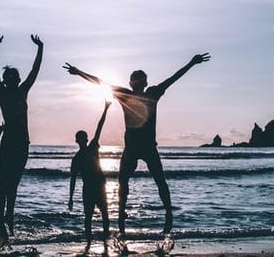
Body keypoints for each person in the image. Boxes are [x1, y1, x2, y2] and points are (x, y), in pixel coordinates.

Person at [64, 53, 211, 249]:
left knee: (156, 180)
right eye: (137, 79)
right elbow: (100, 82)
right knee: (126, 179)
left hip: (145, 147)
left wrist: (191, 63)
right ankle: (125, 218)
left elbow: (173, 78)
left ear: (139, 82)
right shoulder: (135, 93)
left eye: (139, 79)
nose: (138, 82)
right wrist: (79, 72)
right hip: (134, 148)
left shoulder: (150, 93)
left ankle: (164, 213)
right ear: (135, 82)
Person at [0, 34, 43, 241]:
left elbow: (35, 70)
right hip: (10, 142)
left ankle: (8, 217)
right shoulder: (1, 92)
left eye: (14, 78)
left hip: (23, 144)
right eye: (8, 78)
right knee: (4, 183)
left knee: (13, 184)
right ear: (6, 80)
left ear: (18, 80)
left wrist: (41, 48)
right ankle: (1, 220)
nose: (12, 80)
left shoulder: (23, 91)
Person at [68, 99, 111, 253]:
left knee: (104, 215)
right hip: (91, 188)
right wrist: (70, 198)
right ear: (78, 141)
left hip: (99, 186)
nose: (81, 140)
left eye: (82, 138)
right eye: (80, 139)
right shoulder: (77, 158)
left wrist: (105, 108)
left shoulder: (92, 147)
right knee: (89, 217)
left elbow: (99, 127)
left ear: (84, 140)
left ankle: (105, 242)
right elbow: (72, 179)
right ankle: (90, 243)